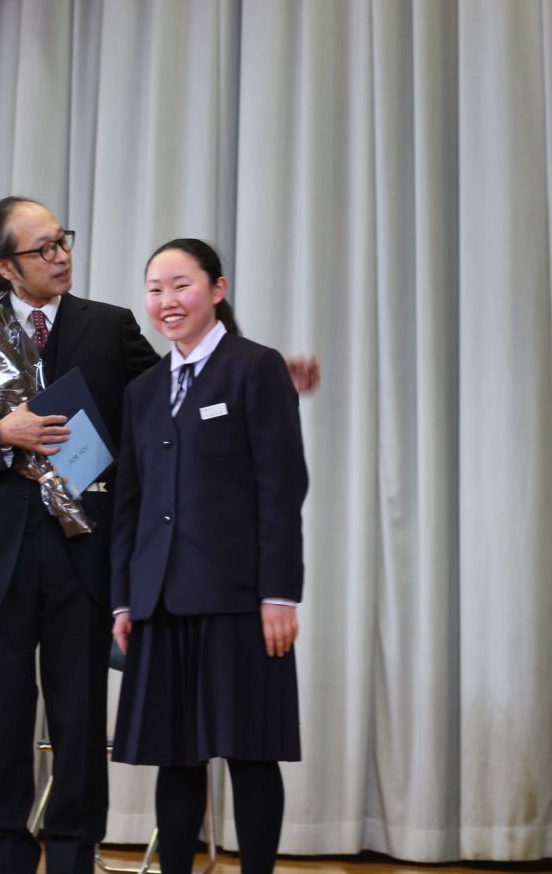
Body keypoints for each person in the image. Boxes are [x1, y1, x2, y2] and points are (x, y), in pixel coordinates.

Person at [0, 197, 159, 874]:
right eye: (43, 248)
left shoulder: (108, 326)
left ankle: (72, 852)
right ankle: (5, 848)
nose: (61, 256)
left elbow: (163, 401)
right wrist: (3, 433)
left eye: (63, 241)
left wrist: (249, 380)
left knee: (79, 711)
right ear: (4, 265)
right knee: (3, 711)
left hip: (82, 547)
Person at [110, 238, 310, 874]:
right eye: (155, 289)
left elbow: (282, 487)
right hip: (161, 600)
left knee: (250, 752)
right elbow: (130, 504)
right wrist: (124, 599)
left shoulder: (255, 367)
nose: (166, 301)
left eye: (181, 285)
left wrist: (279, 593)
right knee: (175, 758)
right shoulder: (143, 390)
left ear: (217, 289)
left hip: (239, 600)